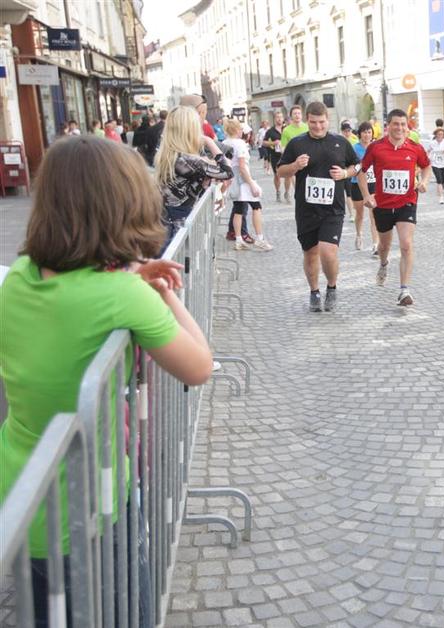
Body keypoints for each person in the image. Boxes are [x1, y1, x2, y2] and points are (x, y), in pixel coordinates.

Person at [0, 136, 213, 628]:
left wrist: (131, 276)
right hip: (90, 507)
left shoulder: (21, 277)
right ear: (125, 206)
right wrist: (163, 293)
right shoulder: (120, 296)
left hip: (22, 493)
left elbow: (74, 298)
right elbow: (199, 365)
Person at [278, 102, 360, 312]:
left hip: (333, 208)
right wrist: (295, 166)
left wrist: (345, 174)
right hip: (306, 209)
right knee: (310, 253)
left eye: (322, 122)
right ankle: (314, 291)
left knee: (328, 252)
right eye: (313, 122)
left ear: (328, 120)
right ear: (307, 120)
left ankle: (331, 287)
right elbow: (281, 171)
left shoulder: (340, 142)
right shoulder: (297, 144)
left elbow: (357, 165)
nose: (318, 126)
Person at [357, 108, 432, 306]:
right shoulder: (376, 148)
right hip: (382, 204)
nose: (399, 128)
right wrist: (366, 196)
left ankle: (404, 290)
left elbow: (426, 166)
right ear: (388, 126)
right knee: (384, 246)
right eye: (396, 124)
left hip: (407, 202)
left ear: (407, 127)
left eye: (403, 124)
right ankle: (383, 264)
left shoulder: (415, 148)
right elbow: (361, 171)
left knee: (406, 244)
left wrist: (424, 181)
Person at [155, 106, 233, 245]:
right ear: (190, 130)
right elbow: (227, 172)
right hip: (178, 224)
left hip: (167, 220)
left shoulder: (171, 155)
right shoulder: (186, 159)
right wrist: (209, 141)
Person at [222, 118, 272, 251]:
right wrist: (252, 184)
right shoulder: (240, 144)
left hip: (232, 179)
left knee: (238, 209)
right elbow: (242, 167)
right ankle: (260, 239)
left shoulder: (224, 143)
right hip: (243, 180)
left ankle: (239, 239)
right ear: (237, 130)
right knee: (256, 207)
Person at [350, 122, 380, 252]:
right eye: (364, 132)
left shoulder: (376, 147)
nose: (367, 135)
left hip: (373, 182)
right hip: (356, 183)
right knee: (360, 213)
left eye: (369, 132)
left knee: (374, 214)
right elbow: (350, 165)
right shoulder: (354, 148)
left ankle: (375, 244)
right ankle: (359, 235)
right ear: (359, 134)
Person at [279, 106, 308, 201]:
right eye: (295, 113)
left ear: (302, 115)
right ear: (291, 116)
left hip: (306, 157)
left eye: (299, 113)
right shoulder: (286, 130)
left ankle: (302, 194)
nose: (297, 115)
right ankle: (288, 191)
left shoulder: (307, 127)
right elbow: (283, 146)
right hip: (293, 158)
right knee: (290, 177)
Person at [264, 110, 287, 202]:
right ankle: (278, 191)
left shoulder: (287, 129)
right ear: (274, 119)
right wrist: (273, 143)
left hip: (287, 155)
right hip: (275, 155)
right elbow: (264, 142)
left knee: (288, 175)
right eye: (277, 117)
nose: (279, 119)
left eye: (281, 117)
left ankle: (287, 192)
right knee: (277, 175)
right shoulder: (270, 131)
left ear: (283, 118)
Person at [428, 128, 444, 205]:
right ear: (435, 135)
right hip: (435, 164)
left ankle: (440, 188)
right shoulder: (432, 143)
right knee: (439, 180)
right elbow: (428, 151)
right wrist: (428, 157)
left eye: (441, 134)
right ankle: (441, 197)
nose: (440, 136)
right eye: (438, 134)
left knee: (443, 180)